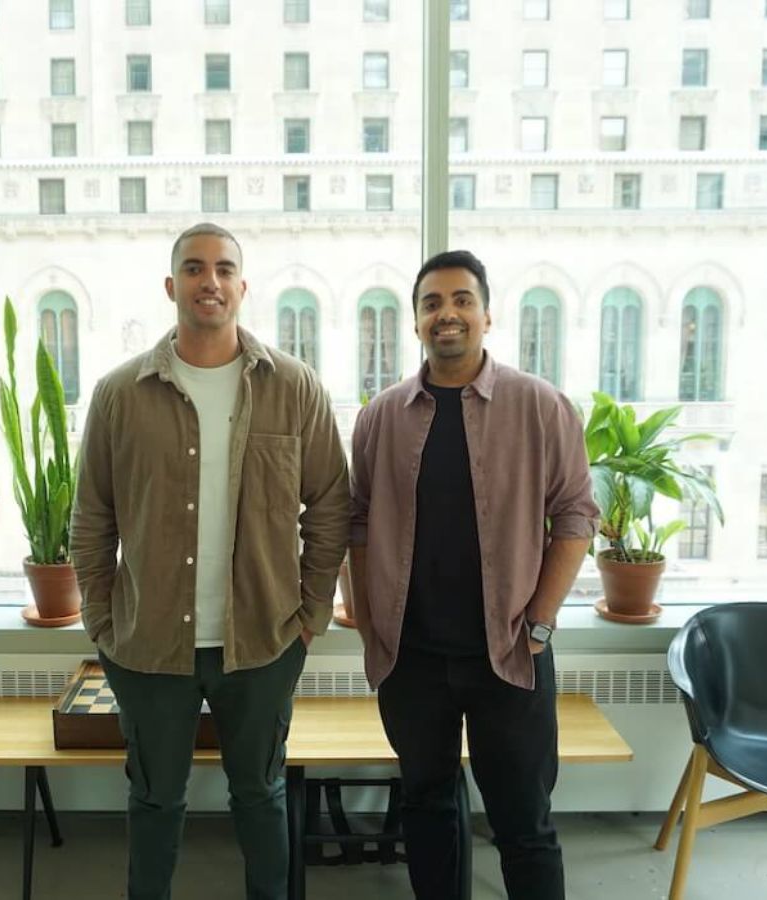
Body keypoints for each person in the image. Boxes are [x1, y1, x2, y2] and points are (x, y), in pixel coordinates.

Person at [70, 223, 350, 900]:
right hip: (148, 647)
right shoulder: (119, 394)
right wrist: (103, 622)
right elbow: (91, 519)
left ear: (242, 287)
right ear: (172, 286)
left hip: (263, 643)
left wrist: (310, 614)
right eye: (194, 268)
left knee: (260, 794)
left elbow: (331, 507)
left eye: (224, 269)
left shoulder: (295, 387)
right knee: (155, 799)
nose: (210, 281)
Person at [348, 250, 598, 900]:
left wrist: (539, 623)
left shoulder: (539, 405)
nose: (447, 314)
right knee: (427, 809)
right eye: (432, 303)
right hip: (413, 660)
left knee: (523, 822)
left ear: (487, 315)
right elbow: (358, 521)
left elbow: (576, 515)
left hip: (509, 654)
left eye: (462, 300)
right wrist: (369, 623)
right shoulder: (382, 417)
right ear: (416, 322)